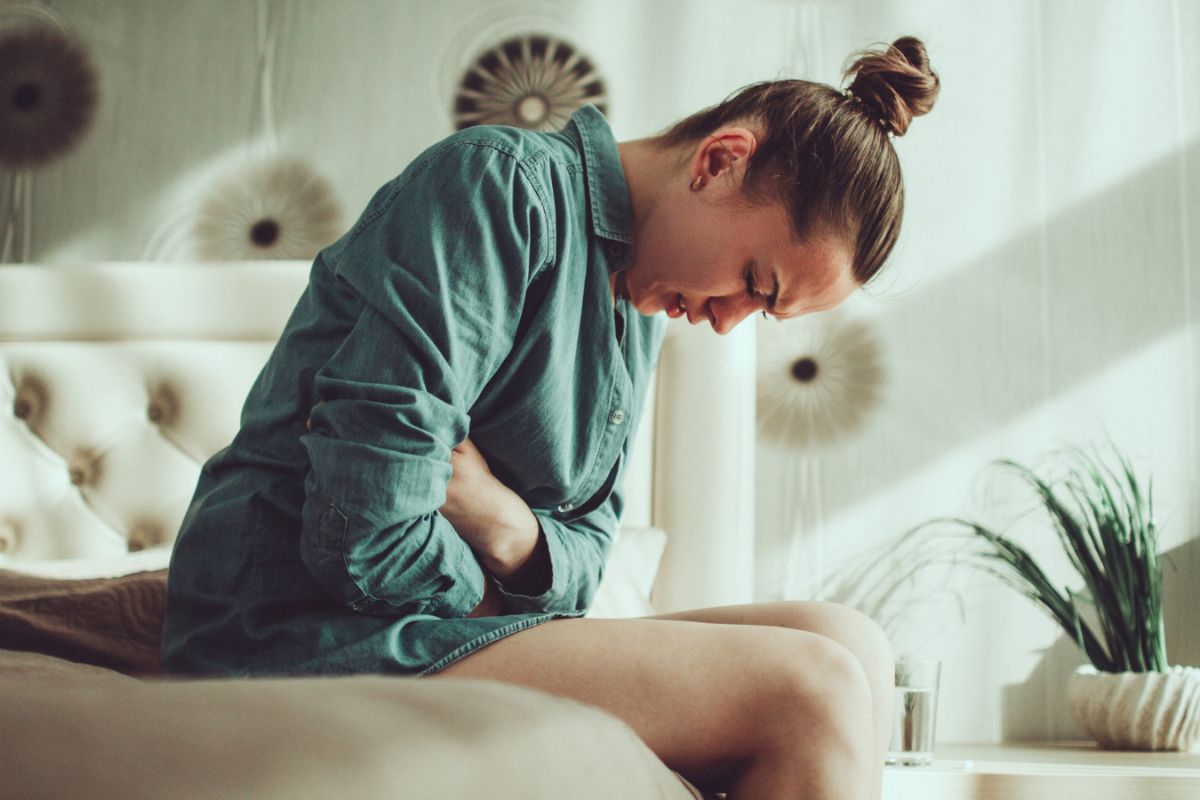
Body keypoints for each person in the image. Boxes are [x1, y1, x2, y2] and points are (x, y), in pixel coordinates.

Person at [162, 35, 939, 800]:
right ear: (719, 160)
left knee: (848, 643)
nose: (731, 322)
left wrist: (501, 521)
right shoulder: (498, 188)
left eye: (763, 311)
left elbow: (588, 559)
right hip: (296, 625)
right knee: (811, 690)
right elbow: (364, 528)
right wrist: (503, 591)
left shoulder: (638, 298)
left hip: (434, 621)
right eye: (754, 282)